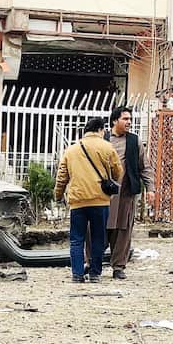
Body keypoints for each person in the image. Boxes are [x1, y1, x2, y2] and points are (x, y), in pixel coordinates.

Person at [55, 117, 122, 283]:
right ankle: (95, 274)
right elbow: (118, 171)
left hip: (78, 201)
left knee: (76, 240)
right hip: (100, 201)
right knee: (98, 238)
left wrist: (58, 195)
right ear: (100, 129)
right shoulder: (107, 147)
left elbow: (62, 176)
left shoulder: (71, 150)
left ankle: (77, 274)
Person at [101, 107, 151, 280]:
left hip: (126, 193)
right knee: (97, 228)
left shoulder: (134, 141)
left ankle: (118, 266)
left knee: (123, 229)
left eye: (130, 119)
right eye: (125, 119)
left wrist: (150, 188)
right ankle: (92, 263)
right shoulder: (103, 139)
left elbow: (144, 167)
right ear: (115, 121)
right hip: (103, 193)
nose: (129, 122)